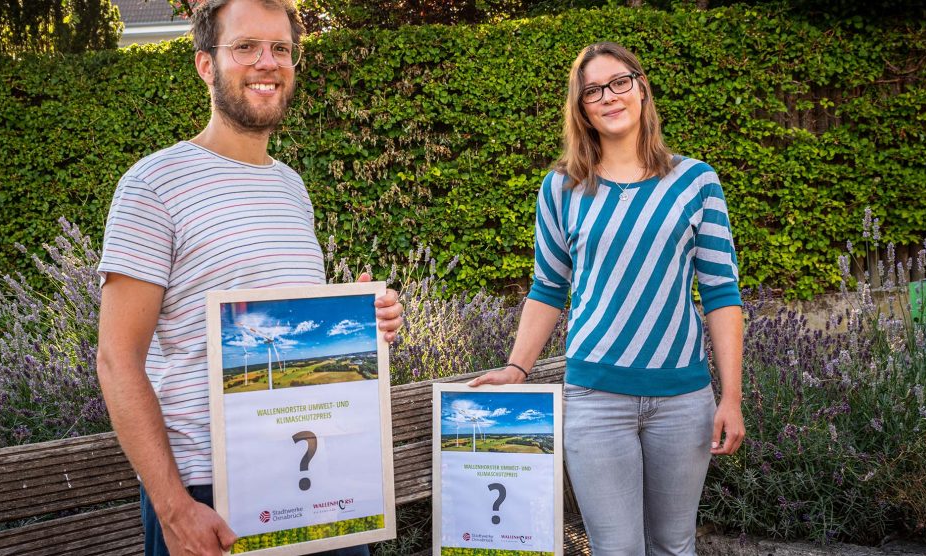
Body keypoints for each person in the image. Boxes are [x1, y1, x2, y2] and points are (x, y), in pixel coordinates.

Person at [94, 0, 402, 554]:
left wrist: (363, 323)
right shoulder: (152, 185)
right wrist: (174, 507)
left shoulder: (292, 187)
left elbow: (291, 333)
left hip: (314, 476)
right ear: (206, 65)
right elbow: (117, 359)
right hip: (209, 494)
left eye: (281, 49)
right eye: (245, 47)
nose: (267, 62)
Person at [469, 42, 745, 555]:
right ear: (581, 107)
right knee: (616, 549)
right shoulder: (561, 188)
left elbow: (721, 292)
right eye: (593, 90)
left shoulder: (696, 181)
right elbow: (548, 287)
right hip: (595, 402)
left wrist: (730, 397)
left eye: (620, 82)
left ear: (641, 87)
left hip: (684, 401)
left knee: (673, 546)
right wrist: (516, 367)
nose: (609, 97)